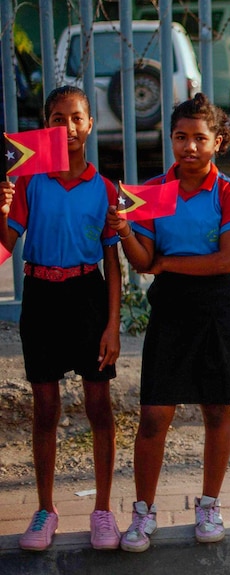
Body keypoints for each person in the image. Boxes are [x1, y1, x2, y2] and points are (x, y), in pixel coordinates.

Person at [107, 93, 230, 551]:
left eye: (200, 138)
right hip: (170, 310)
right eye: (180, 137)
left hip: (217, 308)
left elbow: (224, 261)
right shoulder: (151, 192)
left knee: (216, 409)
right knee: (154, 415)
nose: (189, 147)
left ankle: (209, 504)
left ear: (218, 142)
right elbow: (144, 261)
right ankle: (143, 512)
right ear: (171, 139)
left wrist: (166, 265)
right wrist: (127, 230)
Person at [0, 86, 122, 550]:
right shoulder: (29, 182)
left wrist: (112, 325)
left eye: (75, 118)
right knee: (46, 407)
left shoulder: (106, 188)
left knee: (98, 406)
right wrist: (2, 205)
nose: (66, 127)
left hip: (88, 295)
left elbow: (113, 264)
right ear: (45, 126)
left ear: (89, 125)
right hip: (41, 297)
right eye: (56, 118)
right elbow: (6, 245)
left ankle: (104, 510)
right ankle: (45, 509)